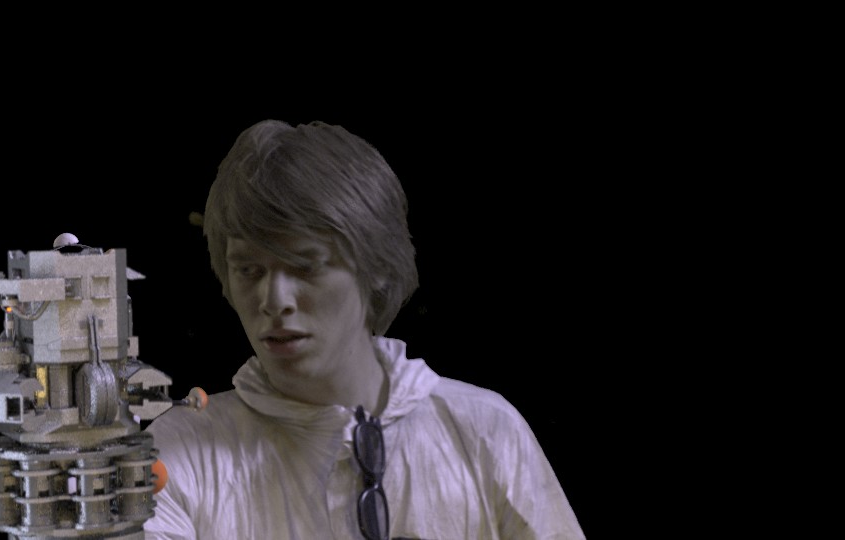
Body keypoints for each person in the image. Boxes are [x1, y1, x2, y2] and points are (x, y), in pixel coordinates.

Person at [143, 119, 585, 540]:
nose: (274, 300)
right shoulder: (178, 451)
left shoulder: (485, 430)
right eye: (249, 270)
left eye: (304, 266)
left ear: (375, 267)